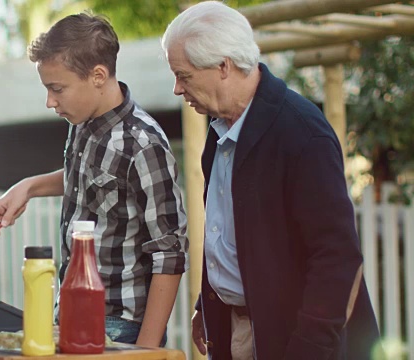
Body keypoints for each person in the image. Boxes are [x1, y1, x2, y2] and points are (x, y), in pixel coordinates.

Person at [161, 2, 381, 359]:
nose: (176, 89)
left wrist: (307, 351)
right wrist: (212, 300)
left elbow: (337, 260)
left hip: (296, 340)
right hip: (238, 327)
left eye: (183, 75)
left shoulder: (303, 134)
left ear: (223, 66)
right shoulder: (218, 132)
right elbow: (234, 233)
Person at [0, 13, 189, 347]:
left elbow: (169, 253)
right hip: (68, 312)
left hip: (119, 326)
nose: (50, 102)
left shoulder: (143, 145)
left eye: (57, 89)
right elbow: (86, 181)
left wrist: (144, 351)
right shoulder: (82, 122)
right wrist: (29, 187)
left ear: (98, 76)